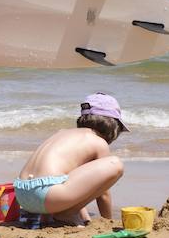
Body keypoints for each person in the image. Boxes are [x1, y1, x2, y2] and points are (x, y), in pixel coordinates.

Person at [13, 93, 128, 226]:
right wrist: (107, 221)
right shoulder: (98, 142)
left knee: (65, 177)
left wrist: (85, 219)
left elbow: (76, 186)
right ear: (113, 126)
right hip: (48, 196)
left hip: (22, 194)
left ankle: (58, 215)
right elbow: (103, 194)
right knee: (115, 164)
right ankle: (65, 213)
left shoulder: (62, 133)